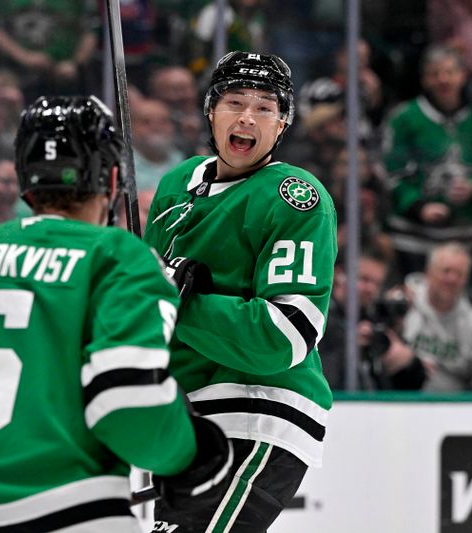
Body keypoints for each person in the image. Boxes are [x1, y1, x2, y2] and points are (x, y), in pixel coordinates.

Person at [0, 95, 233, 532]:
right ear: (110, 179)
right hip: (66, 511)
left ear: (24, 181)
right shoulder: (117, 257)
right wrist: (192, 456)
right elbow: (127, 400)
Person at [143, 51, 337, 532]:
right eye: (234, 101)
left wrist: (173, 299)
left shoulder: (296, 196)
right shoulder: (173, 186)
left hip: (257, 409)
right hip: (183, 418)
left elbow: (285, 335)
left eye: (265, 107)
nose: (247, 116)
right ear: (211, 110)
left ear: (283, 122)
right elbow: (146, 310)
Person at [383, 44, 472, 277]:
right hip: (412, 237)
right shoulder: (405, 117)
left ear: (463, 75)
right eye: (435, 73)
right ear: (424, 79)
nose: (443, 79)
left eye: (450, 72)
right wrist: (418, 206)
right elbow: (391, 170)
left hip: (468, 234)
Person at [319, 251, 426, 391]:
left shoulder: (377, 319)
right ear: (340, 275)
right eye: (364, 279)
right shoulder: (321, 317)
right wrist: (351, 347)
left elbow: (412, 387)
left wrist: (408, 362)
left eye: (377, 283)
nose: (370, 289)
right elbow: (322, 376)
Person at [402, 241, 472, 391]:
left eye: (459, 274)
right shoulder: (404, 304)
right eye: (446, 271)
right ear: (428, 272)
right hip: (402, 399)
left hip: (454, 405)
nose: (452, 279)